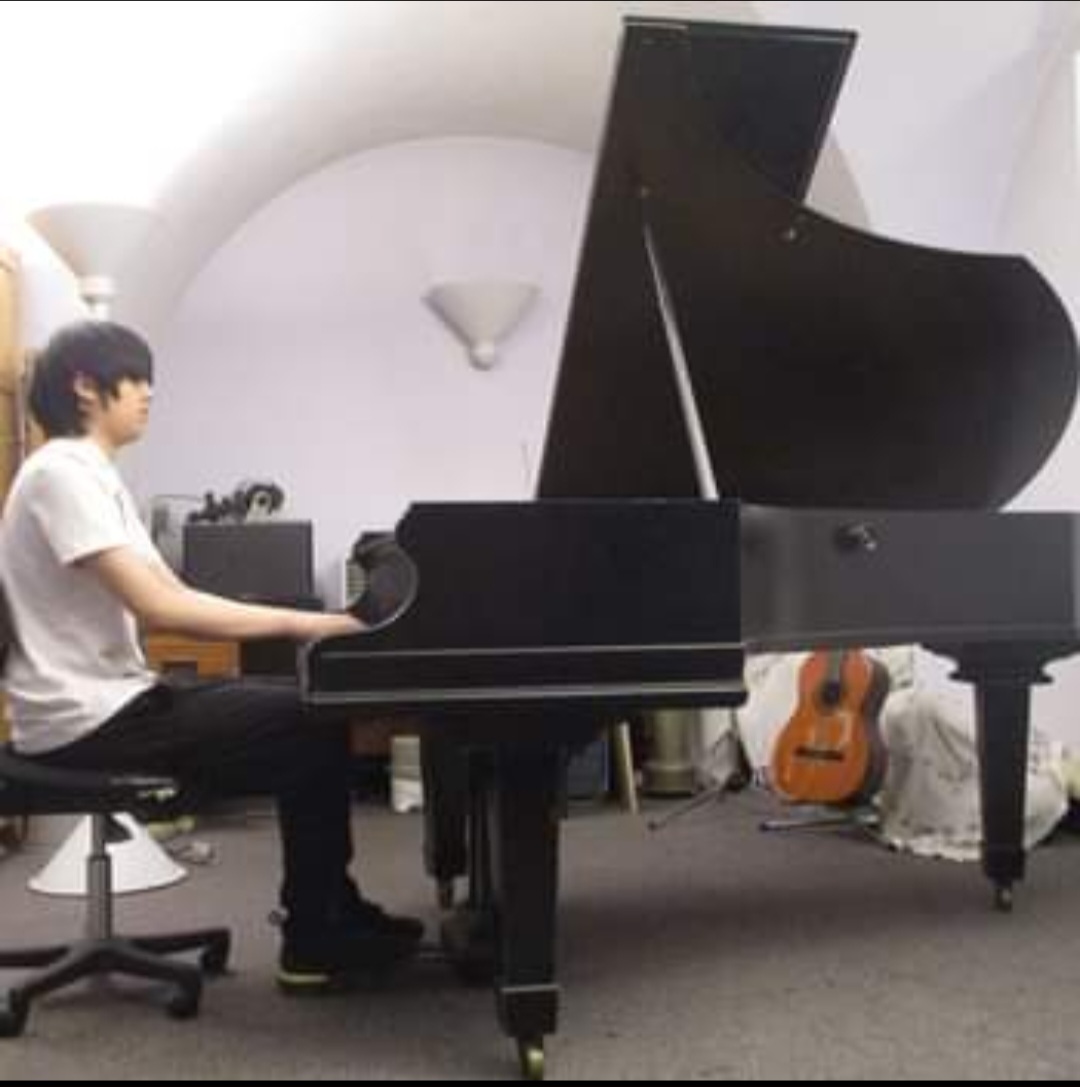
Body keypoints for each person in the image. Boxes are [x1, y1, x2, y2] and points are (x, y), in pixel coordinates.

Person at [0, 320, 423, 994]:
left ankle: (328, 911)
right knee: (305, 718)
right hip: (89, 720)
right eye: (135, 378)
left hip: (117, 700)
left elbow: (171, 590)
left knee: (300, 713)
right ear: (85, 384)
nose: (147, 393)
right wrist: (308, 621)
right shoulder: (58, 473)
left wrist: (304, 624)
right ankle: (317, 931)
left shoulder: (92, 476)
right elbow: (161, 610)